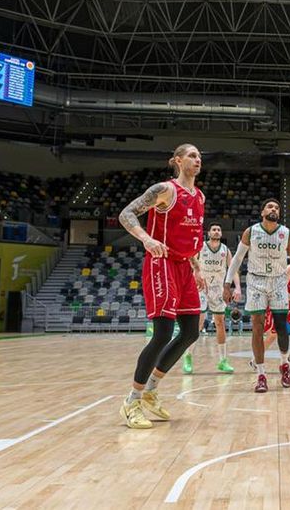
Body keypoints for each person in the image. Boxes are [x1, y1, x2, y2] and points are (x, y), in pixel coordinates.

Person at [117, 144, 206, 429]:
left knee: (191, 331)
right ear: (178, 161)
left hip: (184, 267)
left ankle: (152, 390)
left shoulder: (200, 196)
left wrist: (197, 267)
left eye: (199, 156)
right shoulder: (165, 191)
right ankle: (132, 400)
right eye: (192, 155)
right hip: (162, 262)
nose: (197, 159)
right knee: (163, 332)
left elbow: (190, 237)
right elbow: (126, 214)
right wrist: (146, 239)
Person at [225, 199, 290, 393]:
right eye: (270, 207)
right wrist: (227, 284)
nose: (274, 209)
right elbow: (237, 259)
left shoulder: (285, 233)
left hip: (278, 280)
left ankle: (284, 364)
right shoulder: (251, 232)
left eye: (277, 208)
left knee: (281, 327)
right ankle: (261, 374)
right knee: (257, 327)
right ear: (262, 211)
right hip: (256, 281)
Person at [184, 223, 239, 374]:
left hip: (218, 290)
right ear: (209, 233)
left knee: (220, 323)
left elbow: (233, 269)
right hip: (201, 288)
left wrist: (238, 287)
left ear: (221, 234)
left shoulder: (225, 250)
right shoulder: (200, 247)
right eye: (214, 229)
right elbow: (190, 263)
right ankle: (188, 357)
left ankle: (222, 360)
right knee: (199, 323)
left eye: (219, 229)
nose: (216, 231)